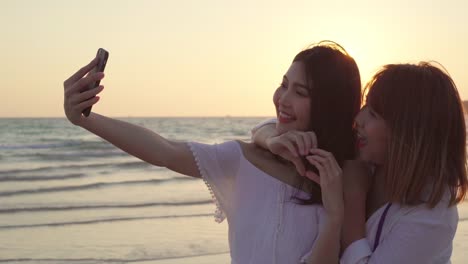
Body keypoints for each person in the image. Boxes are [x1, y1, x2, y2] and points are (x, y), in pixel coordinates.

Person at [62, 41, 362, 263]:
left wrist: (334, 217)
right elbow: (164, 151)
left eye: (300, 92)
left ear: (329, 105)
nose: (283, 99)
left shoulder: (343, 178)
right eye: (283, 85)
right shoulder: (244, 159)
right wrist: (86, 119)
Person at [253, 62, 468, 263]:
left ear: (409, 134)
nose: (358, 120)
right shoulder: (368, 155)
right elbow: (265, 128)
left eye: (373, 114)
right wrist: (274, 141)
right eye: (365, 106)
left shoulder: (433, 214)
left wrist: (353, 197)